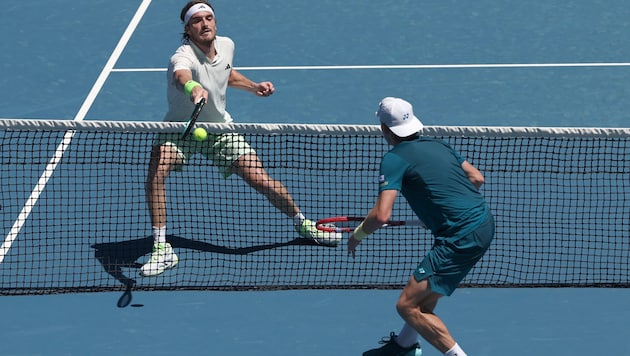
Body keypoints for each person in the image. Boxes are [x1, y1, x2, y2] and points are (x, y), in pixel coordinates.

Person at [141, 1, 340, 277]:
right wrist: (193, 87)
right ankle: (162, 248)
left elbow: (226, 73)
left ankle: (303, 223)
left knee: (259, 178)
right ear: (187, 28)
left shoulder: (226, 45)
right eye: (197, 20)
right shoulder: (182, 55)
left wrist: (253, 86)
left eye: (209, 18)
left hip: (219, 129)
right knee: (157, 171)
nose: (205, 23)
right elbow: (180, 75)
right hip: (181, 128)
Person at [349, 97, 494, 356]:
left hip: (459, 236)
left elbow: (381, 215)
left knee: (407, 306)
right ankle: (404, 346)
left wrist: (357, 234)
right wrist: (446, 210)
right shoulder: (440, 145)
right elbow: (476, 178)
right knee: (425, 297)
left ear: (384, 129)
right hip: (482, 222)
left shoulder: (393, 160)